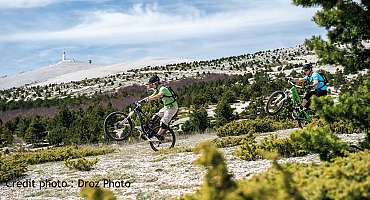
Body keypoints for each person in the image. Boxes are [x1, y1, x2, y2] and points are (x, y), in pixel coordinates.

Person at [141, 75, 178, 141]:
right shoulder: (157, 89)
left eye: (152, 84)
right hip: (166, 107)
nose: (152, 86)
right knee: (154, 118)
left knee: (163, 122)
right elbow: (152, 95)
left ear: (156, 83)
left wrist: (149, 98)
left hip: (172, 107)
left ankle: (158, 135)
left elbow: (158, 96)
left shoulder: (162, 89)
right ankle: (150, 133)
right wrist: (142, 100)